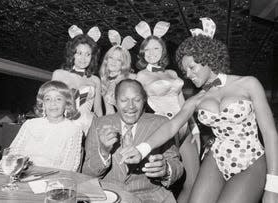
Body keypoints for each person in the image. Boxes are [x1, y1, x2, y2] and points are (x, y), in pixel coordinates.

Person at [121, 17, 278, 203]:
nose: (188, 74)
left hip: (251, 159)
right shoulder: (196, 99)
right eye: (185, 70)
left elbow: (269, 133)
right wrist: (141, 148)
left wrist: (273, 186)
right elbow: (172, 126)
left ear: (208, 58)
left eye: (192, 67)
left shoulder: (249, 84)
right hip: (217, 158)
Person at [82, 79, 184, 203]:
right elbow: (87, 174)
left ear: (144, 100)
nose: (131, 106)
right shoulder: (99, 123)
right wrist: (103, 152)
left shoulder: (161, 123)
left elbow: (177, 165)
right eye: (124, 100)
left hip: (151, 197)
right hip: (108, 196)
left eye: (137, 100)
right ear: (114, 100)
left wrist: (166, 170)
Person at [134, 20, 200, 203]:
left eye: (156, 48)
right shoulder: (141, 76)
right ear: (142, 53)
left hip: (184, 126)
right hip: (164, 130)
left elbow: (183, 102)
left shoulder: (172, 74)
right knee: (164, 181)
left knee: (193, 180)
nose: (151, 53)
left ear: (162, 50)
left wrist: (194, 128)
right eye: (147, 49)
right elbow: (138, 104)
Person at [3, 80, 84, 171]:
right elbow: (12, 154)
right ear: (42, 104)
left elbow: (70, 167)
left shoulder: (73, 130)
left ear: (67, 103)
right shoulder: (30, 125)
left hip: (53, 180)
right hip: (21, 174)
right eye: (48, 99)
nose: (53, 103)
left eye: (58, 99)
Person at [52, 25, 102, 134]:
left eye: (87, 54)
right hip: (62, 125)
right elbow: (52, 103)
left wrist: (100, 130)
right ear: (72, 54)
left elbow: (98, 110)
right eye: (79, 53)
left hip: (87, 126)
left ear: (92, 57)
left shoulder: (95, 80)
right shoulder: (59, 74)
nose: (83, 58)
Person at [100, 30, 137, 115]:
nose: (114, 62)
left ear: (124, 63)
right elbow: (109, 111)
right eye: (111, 58)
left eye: (119, 59)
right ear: (106, 59)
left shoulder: (132, 78)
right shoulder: (105, 81)